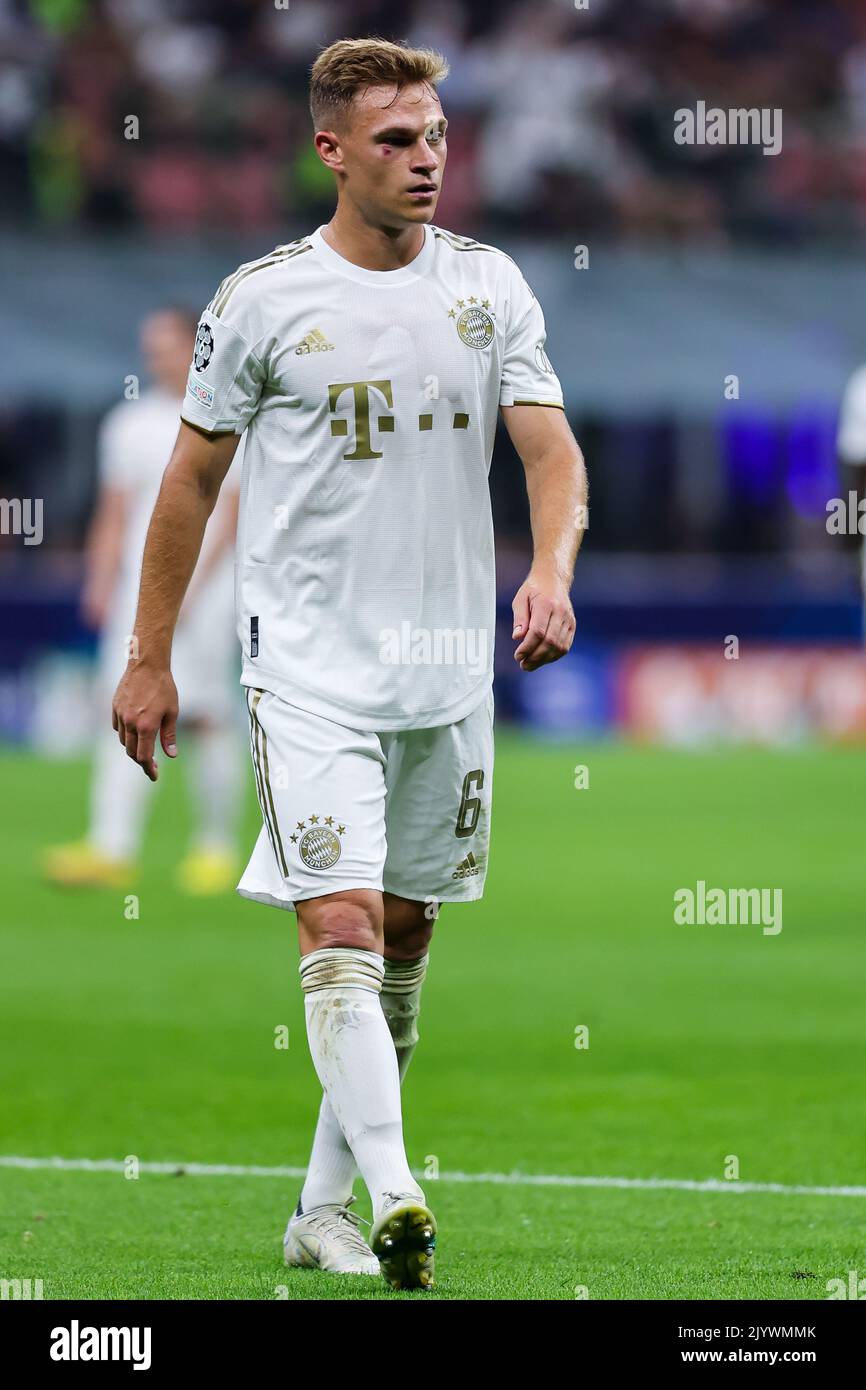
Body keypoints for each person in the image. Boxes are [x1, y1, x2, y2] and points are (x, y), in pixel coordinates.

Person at [111, 39, 587, 1289]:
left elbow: (547, 451)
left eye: (433, 136)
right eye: (394, 140)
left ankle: (320, 1208)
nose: (425, 158)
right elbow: (190, 484)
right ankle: (397, 1191)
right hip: (307, 668)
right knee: (336, 922)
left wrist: (551, 571)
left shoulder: (490, 287)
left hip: (445, 673)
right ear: (330, 149)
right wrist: (150, 656)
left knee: (406, 929)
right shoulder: (261, 300)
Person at [45, 308, 243, 894]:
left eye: (165, 345)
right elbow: (114, 511)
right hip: (139, 595)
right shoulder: (128, 423)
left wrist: (191, 589)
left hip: (204, 597)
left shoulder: (223, 416)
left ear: (195, 347)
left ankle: (214, 847)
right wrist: (100, 581)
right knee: (124, 708)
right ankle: (112, 846)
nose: (153, 357)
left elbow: (228, 512)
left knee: (206, 715)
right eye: (148, 346)